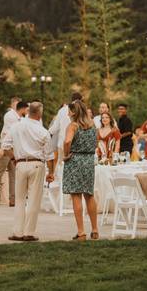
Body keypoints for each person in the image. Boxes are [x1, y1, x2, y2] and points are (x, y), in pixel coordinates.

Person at [1, 101, 54, 242]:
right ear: (39, 114)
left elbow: (5, 146)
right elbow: (49, 155)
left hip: (20, 164)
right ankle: (28, 232)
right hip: (36, 164)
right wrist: (51, 172)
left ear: (28, 111)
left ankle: (17, 232)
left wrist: (14, 158)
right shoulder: (43, 131)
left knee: (19, 200)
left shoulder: (16, 126)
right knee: (33, 200)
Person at [63, 100, 99, 241]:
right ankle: (95, 230)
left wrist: (66, 154)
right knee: (89, 195)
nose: (67, 113)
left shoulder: (73, 126)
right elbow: (95, 142)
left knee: (76, 195)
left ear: (73, 112)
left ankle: (81, 232)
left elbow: (67, 141)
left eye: (69, 110)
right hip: (89, 161)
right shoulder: (92, 126)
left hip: (75, 160)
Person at [49, 92, 83, 163]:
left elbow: (55, 127)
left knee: (60, 164)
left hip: (62, 142)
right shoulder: (81, 110)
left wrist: (48, 134)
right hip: (76, 144)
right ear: (80, 100)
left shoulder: (62, 110)